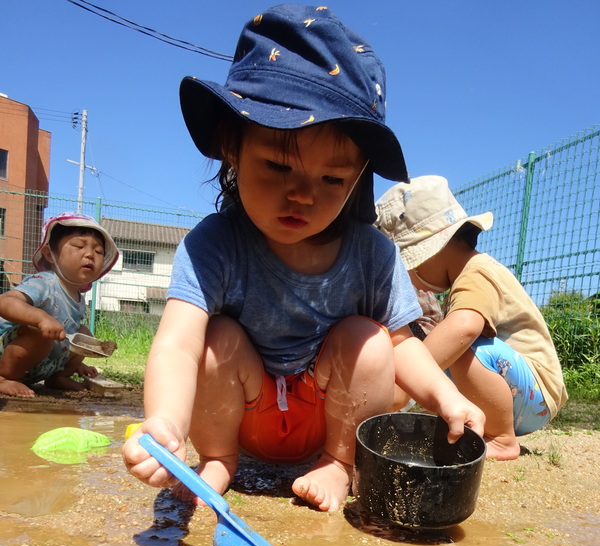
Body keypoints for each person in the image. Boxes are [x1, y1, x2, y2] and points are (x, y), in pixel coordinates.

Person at [122, 5, 484, 513]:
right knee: (216, 338)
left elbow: (405, 348)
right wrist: (164, 422)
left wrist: (445, 397)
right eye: (277, 165)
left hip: (326, 414)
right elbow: (179, 346)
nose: (303, 195)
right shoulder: (213, 245)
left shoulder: (373, 255)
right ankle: (220, 460)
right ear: (232, 146)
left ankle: (339, 463)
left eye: (332, 179)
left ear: (357, 177)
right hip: (242, 415)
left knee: (372, 341)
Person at [375, 175, 568, 460]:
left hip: (536, 393)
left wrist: (405, 380)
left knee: (461, 342)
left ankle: (502, 439)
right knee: (448, 350)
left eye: (409, 268)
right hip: (521, 398)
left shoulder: (477, 270)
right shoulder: (467, 277)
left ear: (433, 250)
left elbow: (464, 328)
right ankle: (490, 429)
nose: (411, 281)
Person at [0, 212, 119, 398]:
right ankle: (3, 377)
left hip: (41, 362)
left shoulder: (78, 298)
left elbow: (69, 336)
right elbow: (5, 302)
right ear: (49, 253)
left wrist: (77, 364)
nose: (90, 254)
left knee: (84, 334)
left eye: (98, 252)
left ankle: (58, 376)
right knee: (39, 332)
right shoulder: (44, 282)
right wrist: (41, 318)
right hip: (7, 354)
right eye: (79, 246)